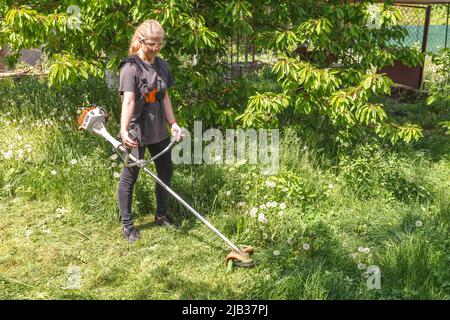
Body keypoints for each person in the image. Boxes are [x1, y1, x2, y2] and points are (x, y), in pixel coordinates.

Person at [118, 19, 183, 243]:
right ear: (141, 41)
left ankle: (161, 215)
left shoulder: (162, 65)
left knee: (166, 171)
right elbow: (128, 101)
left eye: (160, 44)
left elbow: (165, 96)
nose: (156, 49)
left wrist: (173, 123)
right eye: (152, 44)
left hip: (159, 131)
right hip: (137, 130)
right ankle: (127, 225)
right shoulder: (130, 67)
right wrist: (124, 130)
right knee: (130, 177)